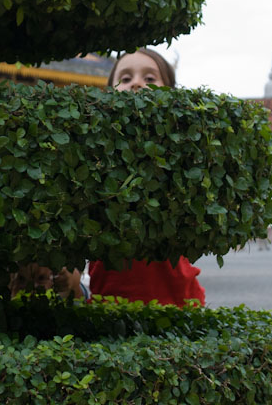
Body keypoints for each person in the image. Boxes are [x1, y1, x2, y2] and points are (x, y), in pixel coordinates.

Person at [86, 49, 207, 307]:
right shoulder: (92, 155)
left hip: (176, 297)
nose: (137, 83)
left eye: (150, 79)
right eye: (125, 78)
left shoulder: (185, 153)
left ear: (170, 92)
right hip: (109, 296)